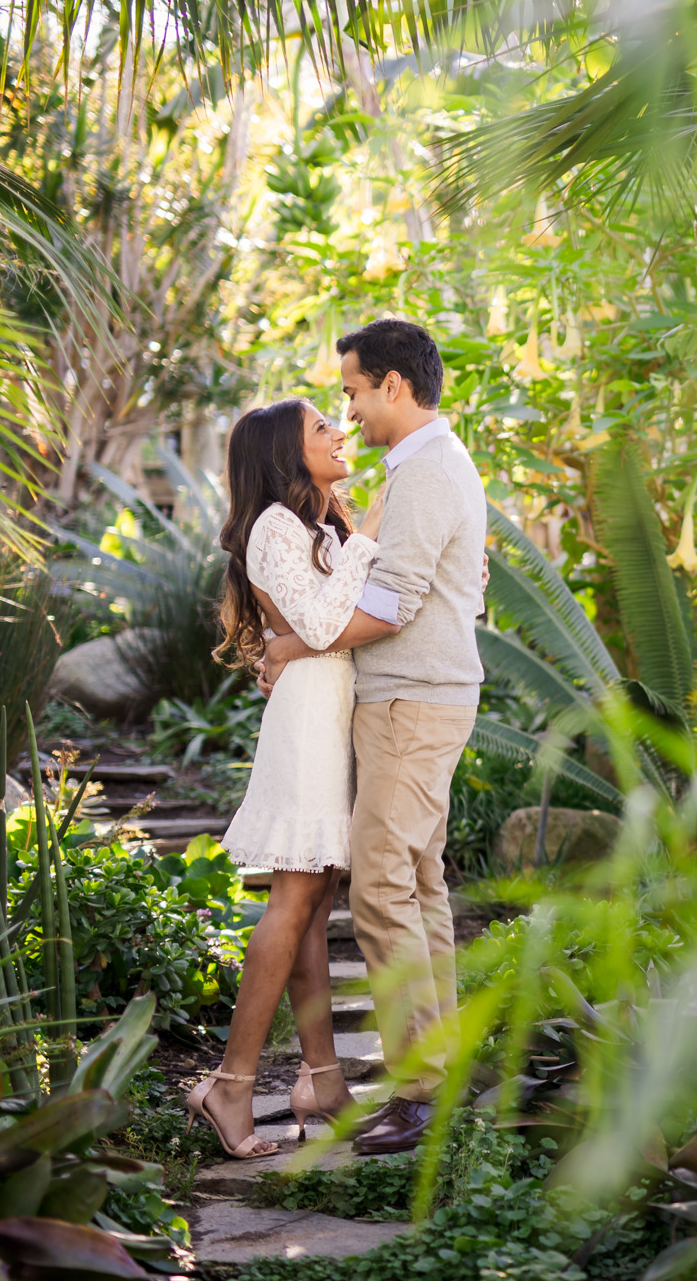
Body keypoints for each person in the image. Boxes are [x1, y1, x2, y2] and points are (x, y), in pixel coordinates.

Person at [259, 318, 488, 1155]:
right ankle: (439, 1073)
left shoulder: (427, 471)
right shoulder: (429, 467)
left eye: (353, 391)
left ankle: (421, 1092)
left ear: (395, 384)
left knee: (383, 887)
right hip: (421, 697)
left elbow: (395, 602)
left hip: (411, 702)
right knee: (418, 884)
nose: (347, 410)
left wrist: (295, 642)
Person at [185, 398, 382, 1159]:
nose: (339, 434)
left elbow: (316, 629)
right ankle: (231, 1085)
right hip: (306, 725)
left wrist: (349, 540)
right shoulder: (272, 524)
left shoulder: (315, 524)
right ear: (284, 453)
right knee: (295, 897)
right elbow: (326, 624)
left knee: (310, 899)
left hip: (328, 712)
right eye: (321, 429)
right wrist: (363, 544)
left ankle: (323, 1078)